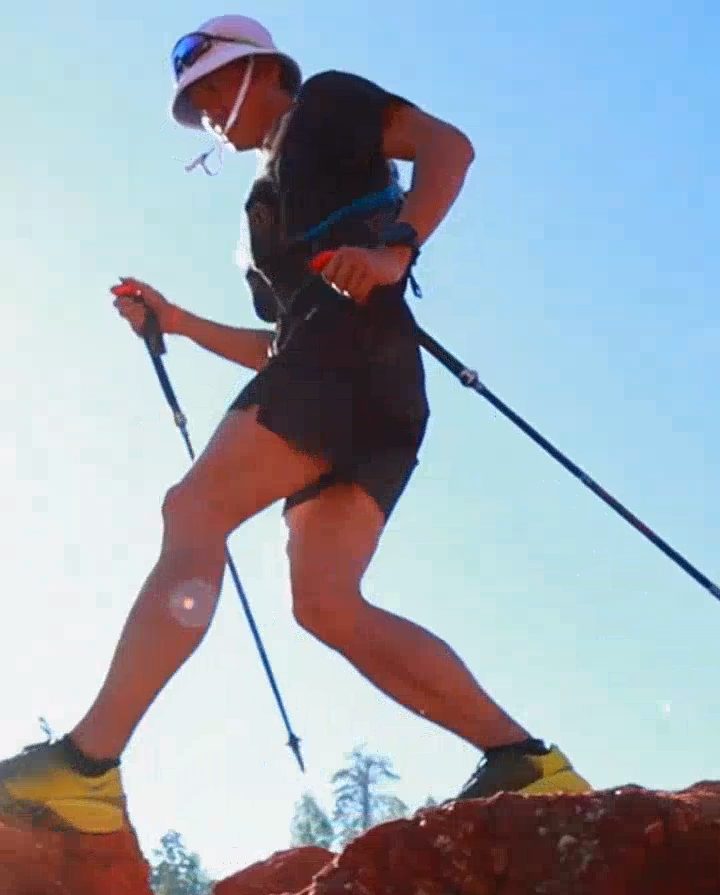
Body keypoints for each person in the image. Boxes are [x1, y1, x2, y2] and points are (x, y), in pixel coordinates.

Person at [0, 14, 590, 835]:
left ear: (268, 72)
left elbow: (449, 147)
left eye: (213, 87)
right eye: (194, 104)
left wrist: (395, 251)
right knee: (325, 603)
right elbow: (277, 346)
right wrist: (179, 324)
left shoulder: (327, 102)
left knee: (194, 509)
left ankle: (87, 766)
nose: (206, 111)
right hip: (374, 388)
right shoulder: (261, 211)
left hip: (344, 366)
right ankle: (526, 762)